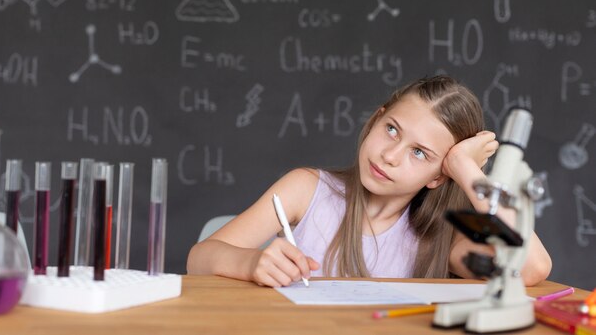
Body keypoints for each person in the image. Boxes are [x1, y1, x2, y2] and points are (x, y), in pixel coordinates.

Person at [187, 75, 552, 287]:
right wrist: (251, 264)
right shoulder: (306, 188)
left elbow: (532, 267)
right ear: (377, 118)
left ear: (440, 176)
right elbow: (199, 258)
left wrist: (465, 168)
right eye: (391, 129)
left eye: (419, 153)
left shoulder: (440, 240)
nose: (390, 155)